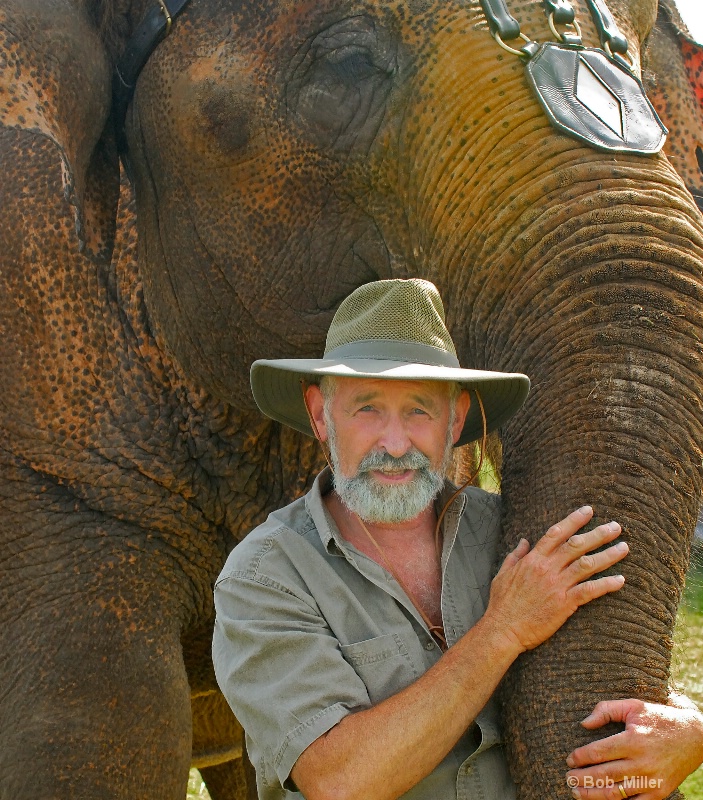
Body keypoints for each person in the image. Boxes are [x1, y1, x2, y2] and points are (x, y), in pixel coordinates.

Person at [213, 279, 703, 800]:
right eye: (367, 409)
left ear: (456, 418)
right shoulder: (265, 576)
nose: (396, 444)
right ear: (320, 415)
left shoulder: (514, 531)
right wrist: (503, 630)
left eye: (420, 410)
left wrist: (691, 731)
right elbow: (338, 780)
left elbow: (611, 670)